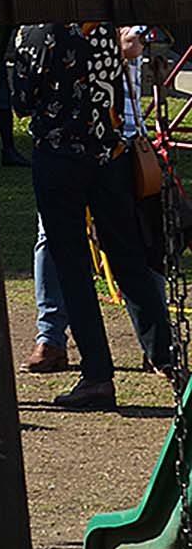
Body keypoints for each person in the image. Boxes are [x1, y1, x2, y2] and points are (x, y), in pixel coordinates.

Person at [9, 23, 178, 410]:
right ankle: (166, 358)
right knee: (129, 259)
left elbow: (22, 100)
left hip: (59, 158)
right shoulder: (103, 28)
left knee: (72, 267)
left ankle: (98, 375)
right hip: (108, 155)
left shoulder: (34, 34)